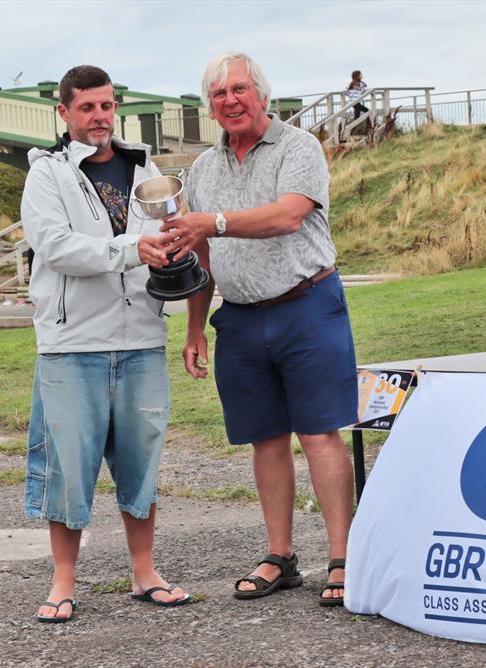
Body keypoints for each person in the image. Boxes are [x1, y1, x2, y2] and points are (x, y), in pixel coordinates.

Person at [161, 52, 358, 607]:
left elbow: (288, 215)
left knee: (319, 433)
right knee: (265, 439)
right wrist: (195, 328)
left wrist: (213, 221)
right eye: (219, 94)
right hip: (241, 318)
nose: (230, 100)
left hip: (308, 306)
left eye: (240, 89)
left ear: (262, 96)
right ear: (210, 106)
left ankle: (342, 557)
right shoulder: (202, 169)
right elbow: (199, 253)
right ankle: (281, 556)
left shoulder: (299, 148)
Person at [21, 64, 190, 623]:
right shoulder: (45, 174)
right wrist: (131, 251)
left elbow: (168, 230)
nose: (99, 117)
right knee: (70, 467)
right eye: (87, 107)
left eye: (107, 105)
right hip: (72, 345)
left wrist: (171, 250)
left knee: (142, 460)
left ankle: (145, 572)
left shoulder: (145, 167)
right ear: (64, 112)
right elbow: (55, 247)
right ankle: (62, 583)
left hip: (141, 337)